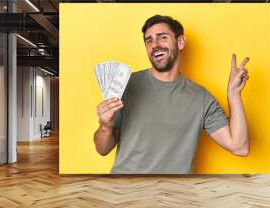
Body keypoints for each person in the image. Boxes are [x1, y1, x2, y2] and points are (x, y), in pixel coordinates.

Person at [93, 15, 250, 174]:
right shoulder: (127, 85)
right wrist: (105, 126)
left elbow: (239, 147)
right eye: (149, 40)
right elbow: (102, 149)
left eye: (162, 37)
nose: (155, 45)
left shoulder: (201, 98)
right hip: (126, 190)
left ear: (180, 42)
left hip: (173, 193)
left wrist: (234, 94)